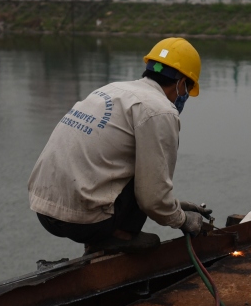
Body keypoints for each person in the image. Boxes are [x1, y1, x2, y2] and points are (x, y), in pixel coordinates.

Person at [28, 37, 213, 255]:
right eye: (187, 90)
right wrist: (182, 220)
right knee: (146, 172)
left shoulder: (111, 90)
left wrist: (175, 204)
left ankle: (103, 235)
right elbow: (151, 198)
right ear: (182, 83)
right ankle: (119, 237)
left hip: (44, 210)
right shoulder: (160, 110)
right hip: (82, 221)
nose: (184, 97)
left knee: (132, 161)